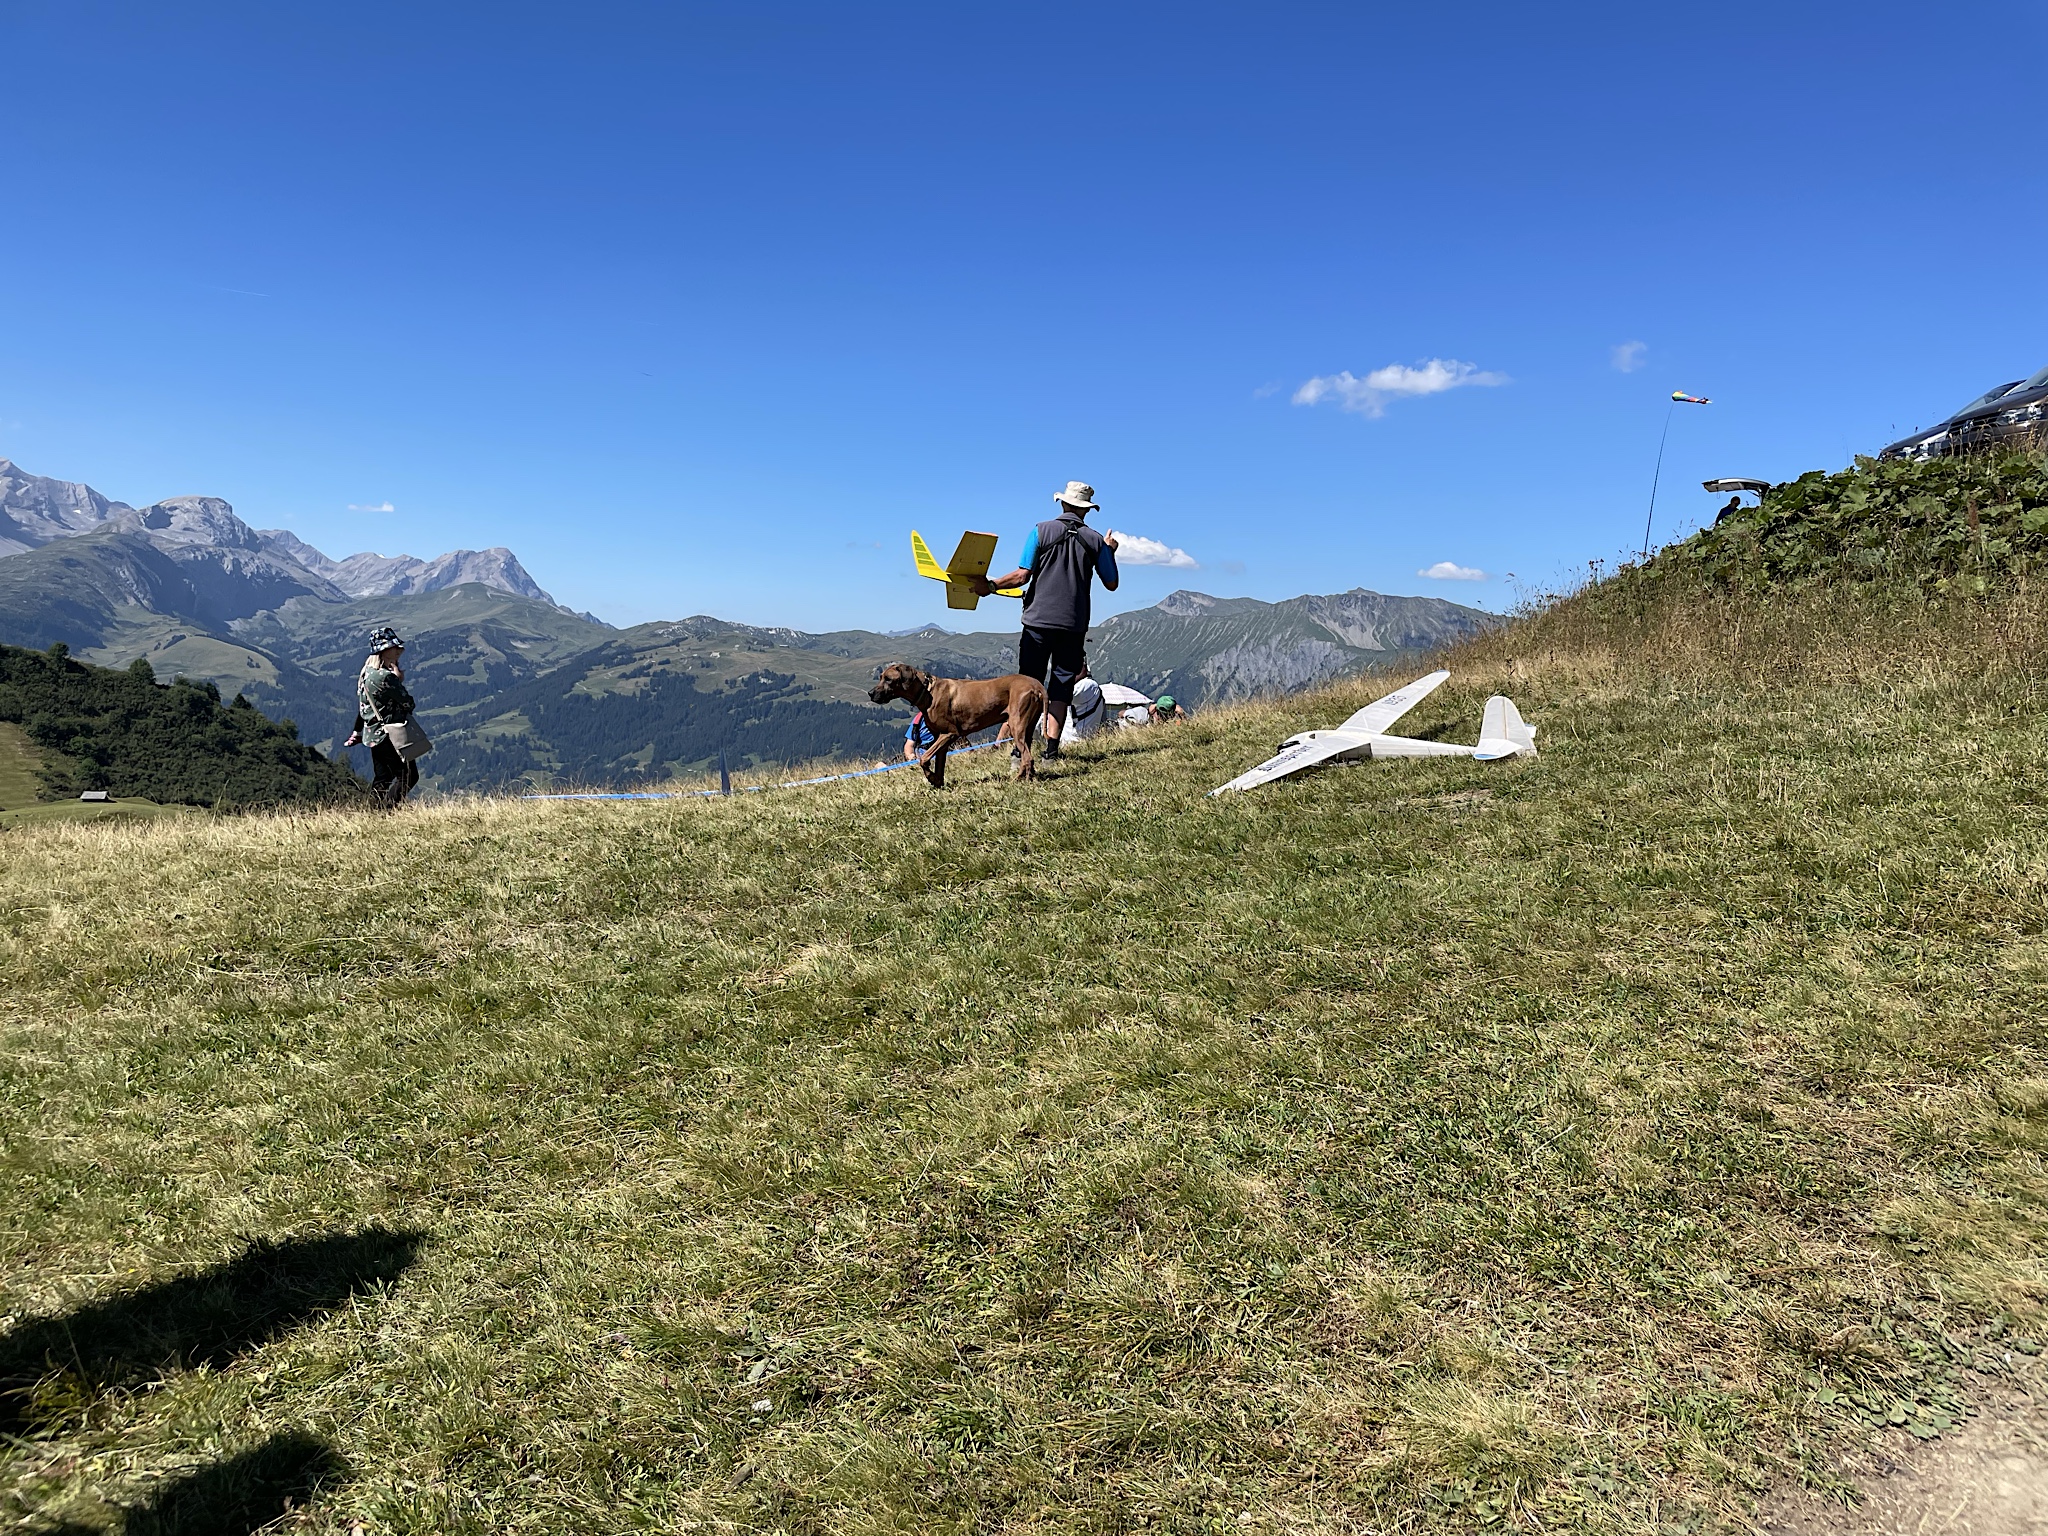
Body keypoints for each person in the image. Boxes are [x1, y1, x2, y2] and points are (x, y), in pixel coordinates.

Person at [974, 481, 1119, 757]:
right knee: (1062, 686)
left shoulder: (1040, 531)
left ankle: (1021, 749)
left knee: (1027, 684)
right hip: (1073, 625)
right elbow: (1111, 583)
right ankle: (1051, 750)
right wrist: (1109, 550)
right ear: (1087, 510)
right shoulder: (1096, 540)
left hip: (1038, 622)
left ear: (1063, 503)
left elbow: (1021, 576)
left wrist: (990, 587)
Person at [342, 626, 421, 807]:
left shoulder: (365, 674)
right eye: (395, 648)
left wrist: (357, 730)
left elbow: (364, 708)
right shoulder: (386, 677)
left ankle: (373, 812)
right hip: (390, 734)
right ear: (384, 650)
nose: (399, 651)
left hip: (372, 734)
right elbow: (408, 703)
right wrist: (399, 680)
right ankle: (388, 809)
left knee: (382, 778)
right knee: (408, 775)